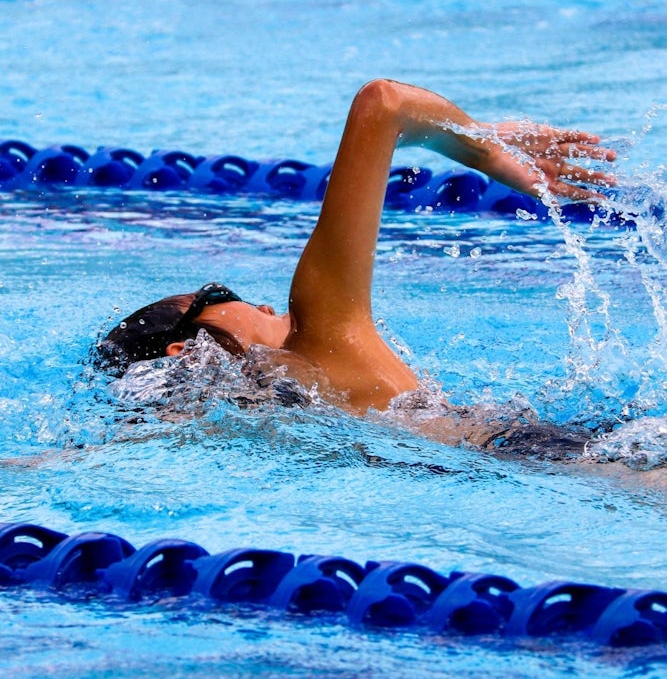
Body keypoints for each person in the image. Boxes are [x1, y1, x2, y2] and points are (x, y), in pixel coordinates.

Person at [98, 79, 615, 457]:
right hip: (560, 455)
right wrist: (486, 148)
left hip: (533, 461)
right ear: (187, 350)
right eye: (219, 294)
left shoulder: (291, 418)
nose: (264, 305)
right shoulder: (318, 332)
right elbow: (383, 103)